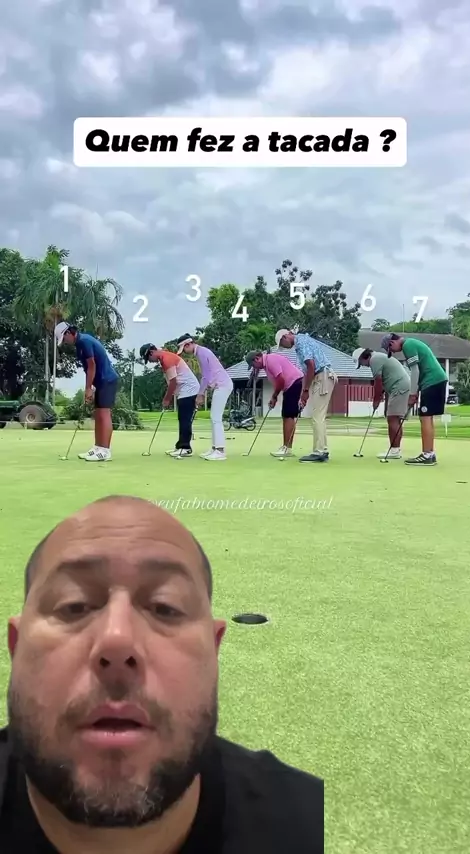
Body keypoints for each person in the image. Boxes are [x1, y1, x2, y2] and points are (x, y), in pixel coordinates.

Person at [0, 496, 325, 853]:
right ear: (16, 646)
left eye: (165, 607)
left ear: (213, 652)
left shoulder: (308, 826)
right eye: (74, 605)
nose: (117, 640)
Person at [54, 321, 118, 462]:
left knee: (104, 414)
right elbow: (90, 368)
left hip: (107, 380)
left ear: (69, 333)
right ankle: (98, 447)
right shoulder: (80, 344)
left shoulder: (84, 341)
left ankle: (105, 451)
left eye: (64, 338)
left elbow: (91, 366)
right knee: (98, 414)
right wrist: (92, 387)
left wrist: (88, 388)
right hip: (100, 382)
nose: (65, 342)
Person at [381, 333, 448, 466]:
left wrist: (412, 394)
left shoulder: (408, 345)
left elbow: (415, 371)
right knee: (427, 417)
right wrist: (416, 391)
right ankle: (430, 454)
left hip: (432, 381)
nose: (394, 352)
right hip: (435, 380)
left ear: (392, 343)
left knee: (425, 417)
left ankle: (427, 455)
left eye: (391, 349)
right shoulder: (411, 343)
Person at [274, 329, 337, 463]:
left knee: (317, 416)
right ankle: (322, 450)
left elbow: (311, 366)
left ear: (285, 337)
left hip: (322, 376)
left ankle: (319, 452)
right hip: (321, 377)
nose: (285, 347)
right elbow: (306, 372)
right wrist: (304, 393)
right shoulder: (301, 342)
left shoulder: (301, 341)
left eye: (282, 344)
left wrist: (306, 391)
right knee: (319, 416)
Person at [176, 334, 233, 462]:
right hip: (220, 385)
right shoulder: (201, 352)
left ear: (188, 344)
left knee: (216, 418)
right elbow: (206, 376)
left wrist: (200, 394)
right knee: (214, 418)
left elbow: (206, 376)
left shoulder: (202, 353)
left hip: (223, 385)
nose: (184, 352)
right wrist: (201, 393)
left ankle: (220, 451)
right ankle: (214, 448)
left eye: (184, 349)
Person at [140, 344, 199, 459]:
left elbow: (173, 382)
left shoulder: (167, 359)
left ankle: (185, 448)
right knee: (182, 419)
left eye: (148, 358)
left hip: (189, 390)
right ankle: (180, 446)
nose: (150, 361)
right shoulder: (164, 358)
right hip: (184, 391)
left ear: (151, 352)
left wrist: (167, 399)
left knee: (185, 420)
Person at [353, 347, 411, 460]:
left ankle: (394, 451)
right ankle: (395, 449)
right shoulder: (378, 357)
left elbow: (378, 382)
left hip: (399, 387)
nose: (364, 366)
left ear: (363, 357)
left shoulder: (374, 360)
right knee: (395, 419)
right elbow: (385, 380)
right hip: (399, 386)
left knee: (393, 418)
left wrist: (376, 400)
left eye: (361, 363)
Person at [245, 349, 303, 457]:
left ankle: (286, 448)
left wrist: (274, 396)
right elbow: (278, 381)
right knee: (287, 416)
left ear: (257, 359)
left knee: (288, 416)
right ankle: (286, 447)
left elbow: (281, 380)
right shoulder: (267, 364)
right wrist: (274, 396)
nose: (254, 368)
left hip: (294, 383)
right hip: (292, 385)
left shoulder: (270, 360)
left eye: (253, 365)